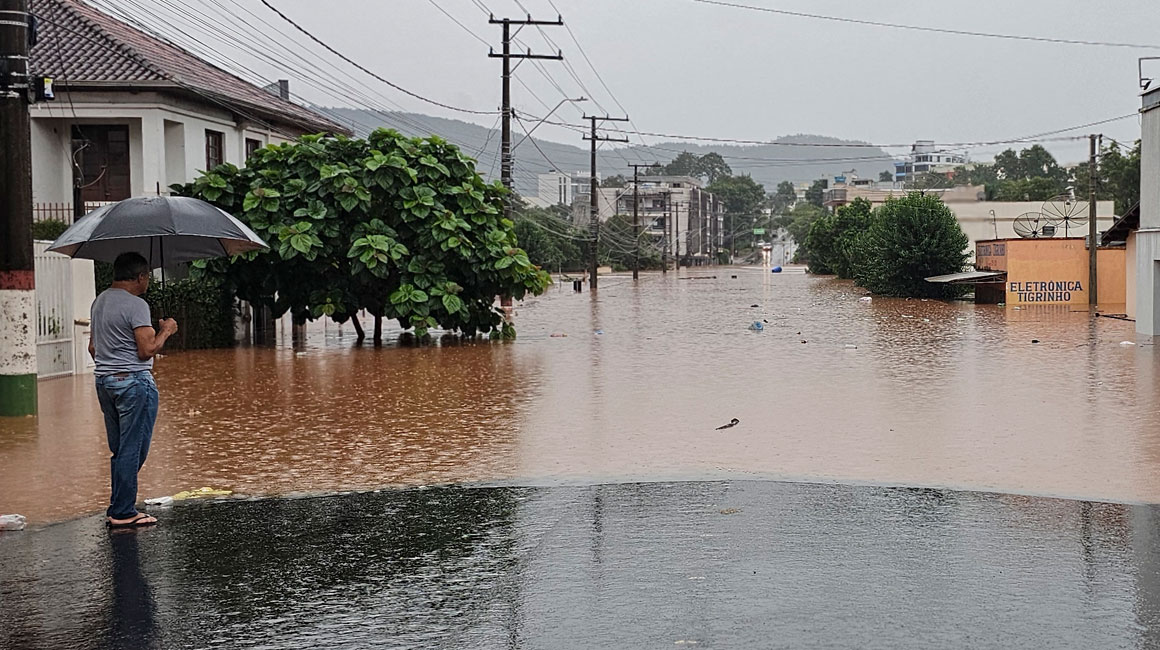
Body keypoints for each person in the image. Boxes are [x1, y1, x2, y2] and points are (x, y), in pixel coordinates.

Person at [88, 252, 177, 529]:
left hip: (104, 381)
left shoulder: (99, 301)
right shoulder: (137, 305)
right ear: (140, 277)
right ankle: (124, 512)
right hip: (134, 383)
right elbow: (146, 350)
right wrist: (167, 331)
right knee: (133, 449)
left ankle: (118, 505)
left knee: (120, 448)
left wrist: (111, 366)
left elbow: (93, 348)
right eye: (147, 276)